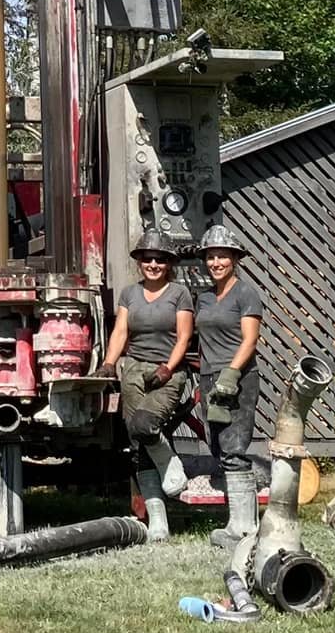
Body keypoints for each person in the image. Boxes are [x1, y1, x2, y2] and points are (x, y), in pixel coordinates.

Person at [99, 231, 194, 541]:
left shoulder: (179, 293)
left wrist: (168, 367)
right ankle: (158, 522)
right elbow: (121, 331)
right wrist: (109, 363)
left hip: (167, 369)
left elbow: (183, 336)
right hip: (135, 369)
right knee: (137, 445)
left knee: (145, 423)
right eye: (147, 259)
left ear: (169, 264)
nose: (153, 264)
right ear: (140, 262)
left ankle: (171, 464)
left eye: (160, 259)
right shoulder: (129, 294)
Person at [195, 222, 264, 549]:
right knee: (219, 447)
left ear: (234, 258)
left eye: (222, 256)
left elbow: (250, 340)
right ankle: (236, 523)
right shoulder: (204, 297)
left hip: (238, 378)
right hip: (209, 377)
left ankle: (245, 529)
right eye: (210, 256)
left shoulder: (245, 292)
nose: (215, 262)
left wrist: (231, 374)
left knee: (235, 447)